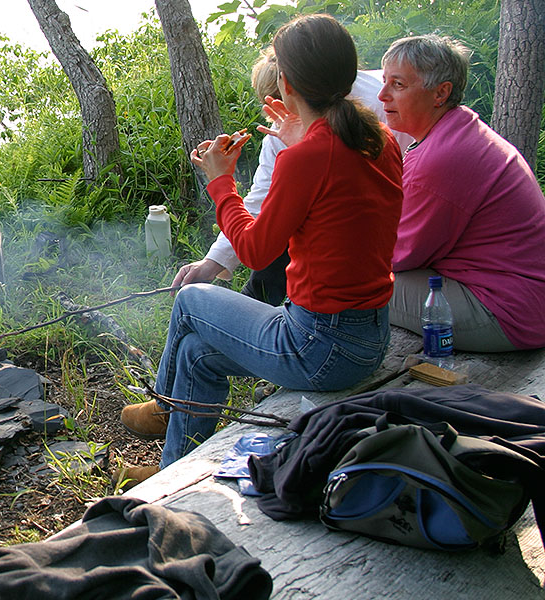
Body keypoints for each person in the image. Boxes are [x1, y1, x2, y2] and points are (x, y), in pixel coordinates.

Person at [121, 14, 404, 468]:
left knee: (192, 299)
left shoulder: (308, 157)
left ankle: (164, 406)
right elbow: (342, 200)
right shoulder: (378, 137)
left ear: (285, 82)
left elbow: (255, 252)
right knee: (196, 355)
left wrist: (221, 183)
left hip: (318, 345)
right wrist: (301, 139)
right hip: (369, 335)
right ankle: (170, 467)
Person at [171, 47, 411, 306]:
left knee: (190, 306)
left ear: (293, 88)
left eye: (284, 99)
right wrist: (213, 261)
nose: (283, 113)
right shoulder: (290, 133)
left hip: (337, 303)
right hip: (360, 297)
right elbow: (260, 202)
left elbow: (256, 250)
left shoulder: (379, 109)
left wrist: (220, 181)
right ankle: (256, 302)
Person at [380, 35, 545, 351]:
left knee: (346, 280)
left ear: (441, 92)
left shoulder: (443, 158)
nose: (382, 95)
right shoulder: (457, 131)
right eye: (385, 82)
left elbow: (397, 254)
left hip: (507, 311)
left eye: (397, 85)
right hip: (524, 298)